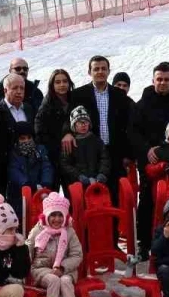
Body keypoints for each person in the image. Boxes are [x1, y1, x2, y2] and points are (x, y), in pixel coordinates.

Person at [134, 62, 169, 254]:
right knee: (149, 200)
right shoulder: (143, 103)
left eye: (167, 79)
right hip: (152, 159)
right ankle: (145, 242)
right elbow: (133, 131)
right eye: (159, 79)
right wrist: (146, 149)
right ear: (153, 80)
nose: (163, 83)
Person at [72, 55, 137, 194]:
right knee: (93, 196)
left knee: (115, 196)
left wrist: (128, 154)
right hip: (90, 153)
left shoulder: (119, 95)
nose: (100, 72)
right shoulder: (78, 95)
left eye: (103, 68)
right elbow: (71, 120)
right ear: (90, 72)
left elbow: (128, 126)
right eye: (96, 69)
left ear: (108, 71)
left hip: (115, 152)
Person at [25, 191, 83, 297]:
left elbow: (77, 255)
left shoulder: (69, 232)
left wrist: (62, 267)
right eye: (53, 215)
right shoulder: (38, 230)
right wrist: (24, 265)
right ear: (47, 216)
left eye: (60, 215)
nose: (56, 219)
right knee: (53, 280)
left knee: (64, 281)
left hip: (65, 270)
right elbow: (28, 247)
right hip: (41, 268)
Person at [7, 122, 54, 220]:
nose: (27, 141)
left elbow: (47, 167)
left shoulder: (40, 150)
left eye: (29, 137)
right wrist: (26, 183)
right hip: (20, 194)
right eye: (22, 138)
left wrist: (46, 183)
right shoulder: (13, 153)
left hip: (41, 191)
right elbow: (13, 170)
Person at [34, 69, 75, 170]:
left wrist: (69, 132)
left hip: (75, 154)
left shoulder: (75, 99)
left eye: (65, 81)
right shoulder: (46, 106)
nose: (62, 84)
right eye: (57, 82)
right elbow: (39, 132)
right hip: (54, 156)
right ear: (52, 85)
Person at [60, 106, 110, 188]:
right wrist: (78, 176)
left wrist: (102, 174)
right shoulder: (70, 143)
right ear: (74, 125)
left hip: (97, 182)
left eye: (86, 122)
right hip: (78, 184)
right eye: (80, 122)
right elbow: (65, 164)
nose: (83, 125)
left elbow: (105, 159)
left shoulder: (97, 141)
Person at [0, 73, 39, 138]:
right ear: (5, 91)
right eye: (15, 88)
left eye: (22, 88)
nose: (19, 92)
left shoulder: (30, 108)